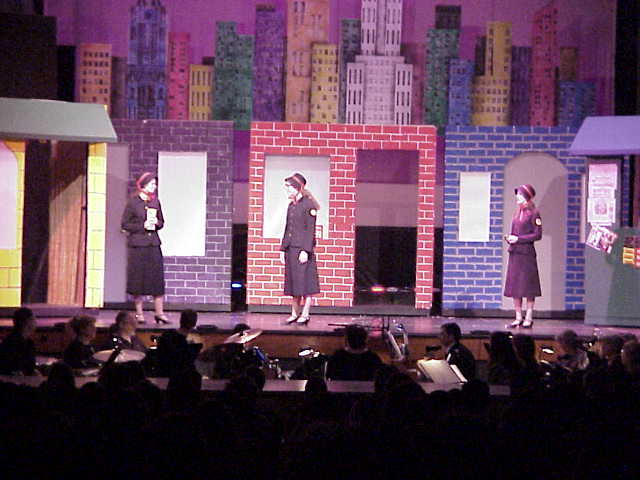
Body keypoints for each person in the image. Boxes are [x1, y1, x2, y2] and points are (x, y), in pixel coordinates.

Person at [121, 172, 168, 325]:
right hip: (138, 245)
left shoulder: (155, 202)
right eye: (152, 184)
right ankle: (139, 314)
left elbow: (161, 222)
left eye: (155, 184)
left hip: (153, 244)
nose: (155, 187)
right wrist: (142, 226)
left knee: (157, 278)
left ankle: (159, 313)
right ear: (143, 185)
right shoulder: (133, 203)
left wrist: (156, 223)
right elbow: (125, 224)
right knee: (138, 279)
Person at [280, 172, 320, 325]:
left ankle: (305, 314)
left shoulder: (308, 205)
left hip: (302, 250)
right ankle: (294, 313)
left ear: (297, 187)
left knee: (306, 283)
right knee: (293, 282)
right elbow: (288, 228)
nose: (287, 190)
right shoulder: (292, 206)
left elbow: (310, 230)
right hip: (291, 249)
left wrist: (306, 250)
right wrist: (283, 249)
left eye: (289, 187)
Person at [504, 184, 542, 329]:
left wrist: (519, 239)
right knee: (515, 285)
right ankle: (518, 316)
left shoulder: (534, 213)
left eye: (520, 195)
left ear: (527, 197)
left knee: (528, 286)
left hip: (527, 253)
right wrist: (511, 238)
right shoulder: (517, 212)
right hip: (515, 253)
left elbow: (537, 234)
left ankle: (529, 316)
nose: (517, 197)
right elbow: (515, 231)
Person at [155, 309, 202, 377]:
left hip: (160, 374)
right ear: (194, 324)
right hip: (178, 378)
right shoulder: (190, 347)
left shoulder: (166, 335)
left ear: (180, 320)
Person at [0, 307, 37, 375]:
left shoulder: (8, 341)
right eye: (34, 319)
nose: (36, 322)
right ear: (27, 322)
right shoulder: (13, 344)